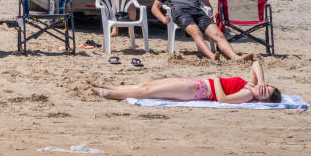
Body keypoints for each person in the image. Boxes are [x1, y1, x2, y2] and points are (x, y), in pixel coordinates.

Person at [88, 57, 281, 104]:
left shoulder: (248, 94)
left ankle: (108, 93)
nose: (263, 89)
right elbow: (255, 63)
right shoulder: (253, 85)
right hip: (196, 84)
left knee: (149, 92)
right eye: (268, 88)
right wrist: (262, 80)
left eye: (265, 94)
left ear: (262, 100)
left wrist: (216, 80)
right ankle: (108, 87)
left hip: (198, 90)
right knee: (148, 85)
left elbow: (222, 99)